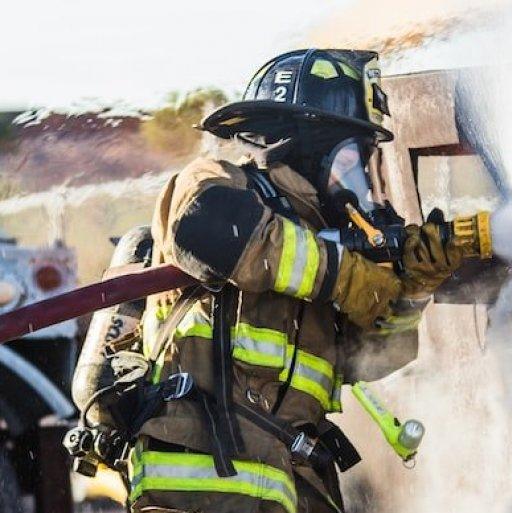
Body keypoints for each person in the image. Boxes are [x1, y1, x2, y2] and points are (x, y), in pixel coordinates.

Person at [128, 49, 462, 513]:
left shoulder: (322, 249)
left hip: (288, 483)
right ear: (307, 147)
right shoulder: (218, 183)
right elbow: (207, 229)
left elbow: (371, 359)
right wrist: (345, 275)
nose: (362, 183)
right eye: (353, 160)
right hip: (203, 483)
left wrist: (414, 289)